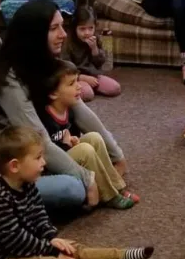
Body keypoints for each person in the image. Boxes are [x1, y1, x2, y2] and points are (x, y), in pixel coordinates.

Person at [0, 0, 128, 210]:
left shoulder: (47, 66)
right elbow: (40, 138)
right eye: (54, 28)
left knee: (87, 148)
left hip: (35, 162)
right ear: (33, 37)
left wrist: (117, 155)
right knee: (73, 188)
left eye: (62, 26)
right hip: (3, 178)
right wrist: (87, 180)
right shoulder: (7, 80)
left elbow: (80, 110)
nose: (63, 34)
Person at [0, 126, 154, 259]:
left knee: (69, 247)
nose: (44, 162)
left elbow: (39, 216)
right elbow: (16, 242)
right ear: (14, 166)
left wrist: (51, 237)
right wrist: (50, 251)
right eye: (38, 158)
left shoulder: (28, 184)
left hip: (24, 245)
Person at [37, 60, 137, 209]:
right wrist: (69, 144)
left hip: (66, 156)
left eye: (77, 81)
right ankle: (110, 196)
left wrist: (72, 141)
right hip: (50, 169)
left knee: (94, 137)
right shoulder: (43, 117)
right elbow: (47, 151)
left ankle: (118, 186)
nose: (78, 86)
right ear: (53, 93)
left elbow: (67, 138)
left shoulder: (69, 110)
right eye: (71, 84)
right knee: (85, 150)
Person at [63, 0, 121, 103]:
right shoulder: (68, 43)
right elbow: (64, 67)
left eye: (91, 28)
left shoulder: (95, 38)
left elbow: (99, 63)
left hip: (92, 74)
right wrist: (81, 77)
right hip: (74, 77)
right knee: (87, 94)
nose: (87, 33)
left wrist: (94, 49)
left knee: (115, 88)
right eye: (82, 29)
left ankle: (90, 86)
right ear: (74, 28)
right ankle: (83, 86)